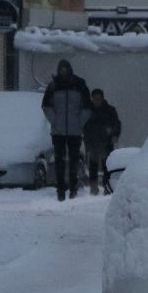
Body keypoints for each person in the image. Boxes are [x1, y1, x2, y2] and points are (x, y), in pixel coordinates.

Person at [41, 59, 91, 201]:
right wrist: (55, 121)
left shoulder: (80, 85)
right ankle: (61, 190)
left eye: (65, 69)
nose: (63, 72)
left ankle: (73, 188)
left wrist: (79, 122)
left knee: (74, 161)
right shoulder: (53, 86)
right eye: (61, 69)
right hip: (58, 131)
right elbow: (46, 106)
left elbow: (87, 107)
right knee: (59, 161)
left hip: (74, 131)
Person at [82, 88, 122, 195]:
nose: (96, 101)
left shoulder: (110, 110)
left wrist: (114, 134)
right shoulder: (87, 111)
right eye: (94, 99)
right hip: (92, 143)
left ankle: (107, 187)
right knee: (93, 167)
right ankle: (93, 188)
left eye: (98, 99)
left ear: (102, 98)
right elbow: (83, 125)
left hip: (106, 143)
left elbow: (117, 124)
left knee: (107, 167)